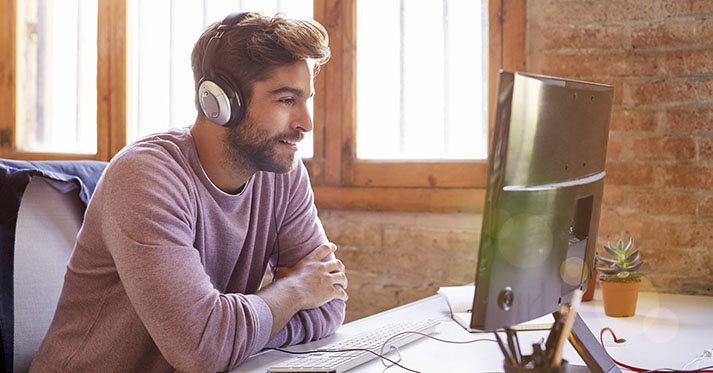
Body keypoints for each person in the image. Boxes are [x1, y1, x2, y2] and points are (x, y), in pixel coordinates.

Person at [30, 11, 348, 373]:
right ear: (222, 102)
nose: (306, 123)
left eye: (306, 99)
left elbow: (330, 302)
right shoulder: (146, 176)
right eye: (286, 100)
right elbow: (203, 349)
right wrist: (294, 291)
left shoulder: (282, 172)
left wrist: (233, 335)